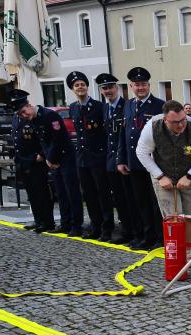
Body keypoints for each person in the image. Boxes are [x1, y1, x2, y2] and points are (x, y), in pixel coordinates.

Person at [135, 100, 191, 252]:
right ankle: (175, 255)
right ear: (165, 120)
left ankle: (189, 255)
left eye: (183, 119)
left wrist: (190, 176)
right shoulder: (152, 127)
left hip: (190, 175)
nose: (181, 125)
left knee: (190, 217)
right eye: (175, 122)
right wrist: (159, 176)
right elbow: (142, 153)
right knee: (172, 218)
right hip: (163, 176)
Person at [13, 90, 85, 236]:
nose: (24, 116)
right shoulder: (34, 119)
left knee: (72, 193)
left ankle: (76, 225)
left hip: (65, 157)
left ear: (29, 105)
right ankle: (65, 224)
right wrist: (49, 159)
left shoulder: (49, 115)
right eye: (21, 115)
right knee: (61, 193)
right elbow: (43, 141)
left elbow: (57, 139)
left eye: (24, 111)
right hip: (53, 160)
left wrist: (49, 159)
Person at [117, 66, 165, 249]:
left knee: (156, 202)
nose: (140, 88)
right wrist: (121, 159)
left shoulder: (159, 105)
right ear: (131, 86)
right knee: (141, 202)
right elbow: (124, 134)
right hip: (134, 163)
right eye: (137, 85)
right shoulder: (128, 105)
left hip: (154, 163)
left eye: (143, 84)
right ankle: (146, 236)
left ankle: (160, 238)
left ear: (149, 85)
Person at [67, 71, 114, 241]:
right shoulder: (73, 107)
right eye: (76, 85)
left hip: (98, 156)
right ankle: (95, 226)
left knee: (103, 194)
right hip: (82, 158)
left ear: (87, 87)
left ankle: (107, 228)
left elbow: (105, 132)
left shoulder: (99, 107)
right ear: (72, 89)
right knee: (89, 195)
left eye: (82, 84)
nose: (80, 87)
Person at [97, 73, 139, 245]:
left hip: (125, 160)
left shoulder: (127, 106)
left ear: (117, 88)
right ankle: (126, 230)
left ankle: (136, 232)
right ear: (101, 91)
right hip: (111, 161)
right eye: (104, 88)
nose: (108, 91)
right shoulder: (104, 108)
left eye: (111, 87)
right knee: (119, 199)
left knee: (131, 198)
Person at [8, 89, 55, 232]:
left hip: (35, 160)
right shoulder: (16, 118)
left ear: (26, 103)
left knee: (41, 193)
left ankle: (47, 222)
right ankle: (38, 219)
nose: (20, 112)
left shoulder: (32, 116)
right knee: (32, 194)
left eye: (20, 106)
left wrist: (41, 154)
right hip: (22, 161)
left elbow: (44, 137)